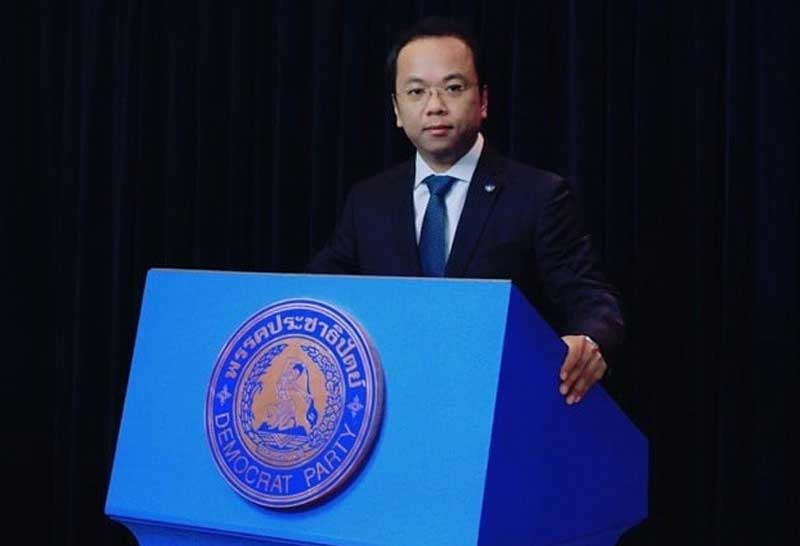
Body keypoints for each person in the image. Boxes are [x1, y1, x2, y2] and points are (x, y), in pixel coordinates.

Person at [308, 17, 624, 405]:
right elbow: (317, 293)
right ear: (396, 109)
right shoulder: (369, 202)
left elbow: (591, 299)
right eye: (416, 92)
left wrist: (590, 340)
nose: (435, 106)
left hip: (499, 401)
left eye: (453, 88)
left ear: (483, 101)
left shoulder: (538, 195)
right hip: (394, 403)